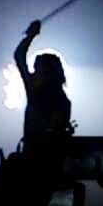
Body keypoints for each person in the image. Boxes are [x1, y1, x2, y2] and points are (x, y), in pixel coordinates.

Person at [12, 20, 72, 149]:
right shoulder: (61, 100)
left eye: (37, 69)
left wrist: (31, 36)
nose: (33, 73)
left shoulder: (37, 94)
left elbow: (19, 56)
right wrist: (31, 36)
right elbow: (19, 57)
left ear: (49, 74)